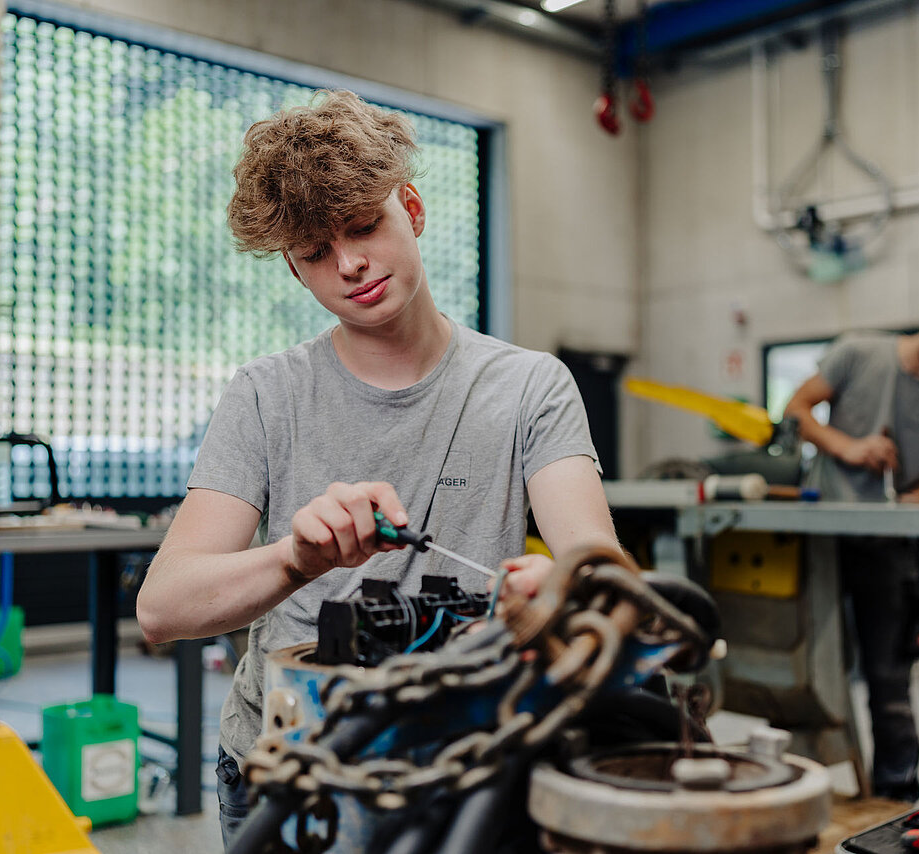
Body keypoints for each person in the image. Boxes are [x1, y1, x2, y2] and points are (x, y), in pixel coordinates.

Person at [135, 89, 621, 847]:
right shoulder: (268, 395)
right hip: (296, 775)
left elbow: (601, 569)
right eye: (315, 253)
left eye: (364, 225)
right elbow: (163, 608)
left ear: (413, 210)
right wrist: (295, 560)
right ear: (295, 272)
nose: (351, 263)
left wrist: (560, 590)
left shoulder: (530, 386)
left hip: (468, 766)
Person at [783, 296, 919, 801]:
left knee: (888, 675)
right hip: (821, 535)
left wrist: (903, 498)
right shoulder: (857, 353)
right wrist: (848, 447)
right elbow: (795, 409)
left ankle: (895, 794)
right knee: (805, 663)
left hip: (887, 545)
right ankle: (790, 782)